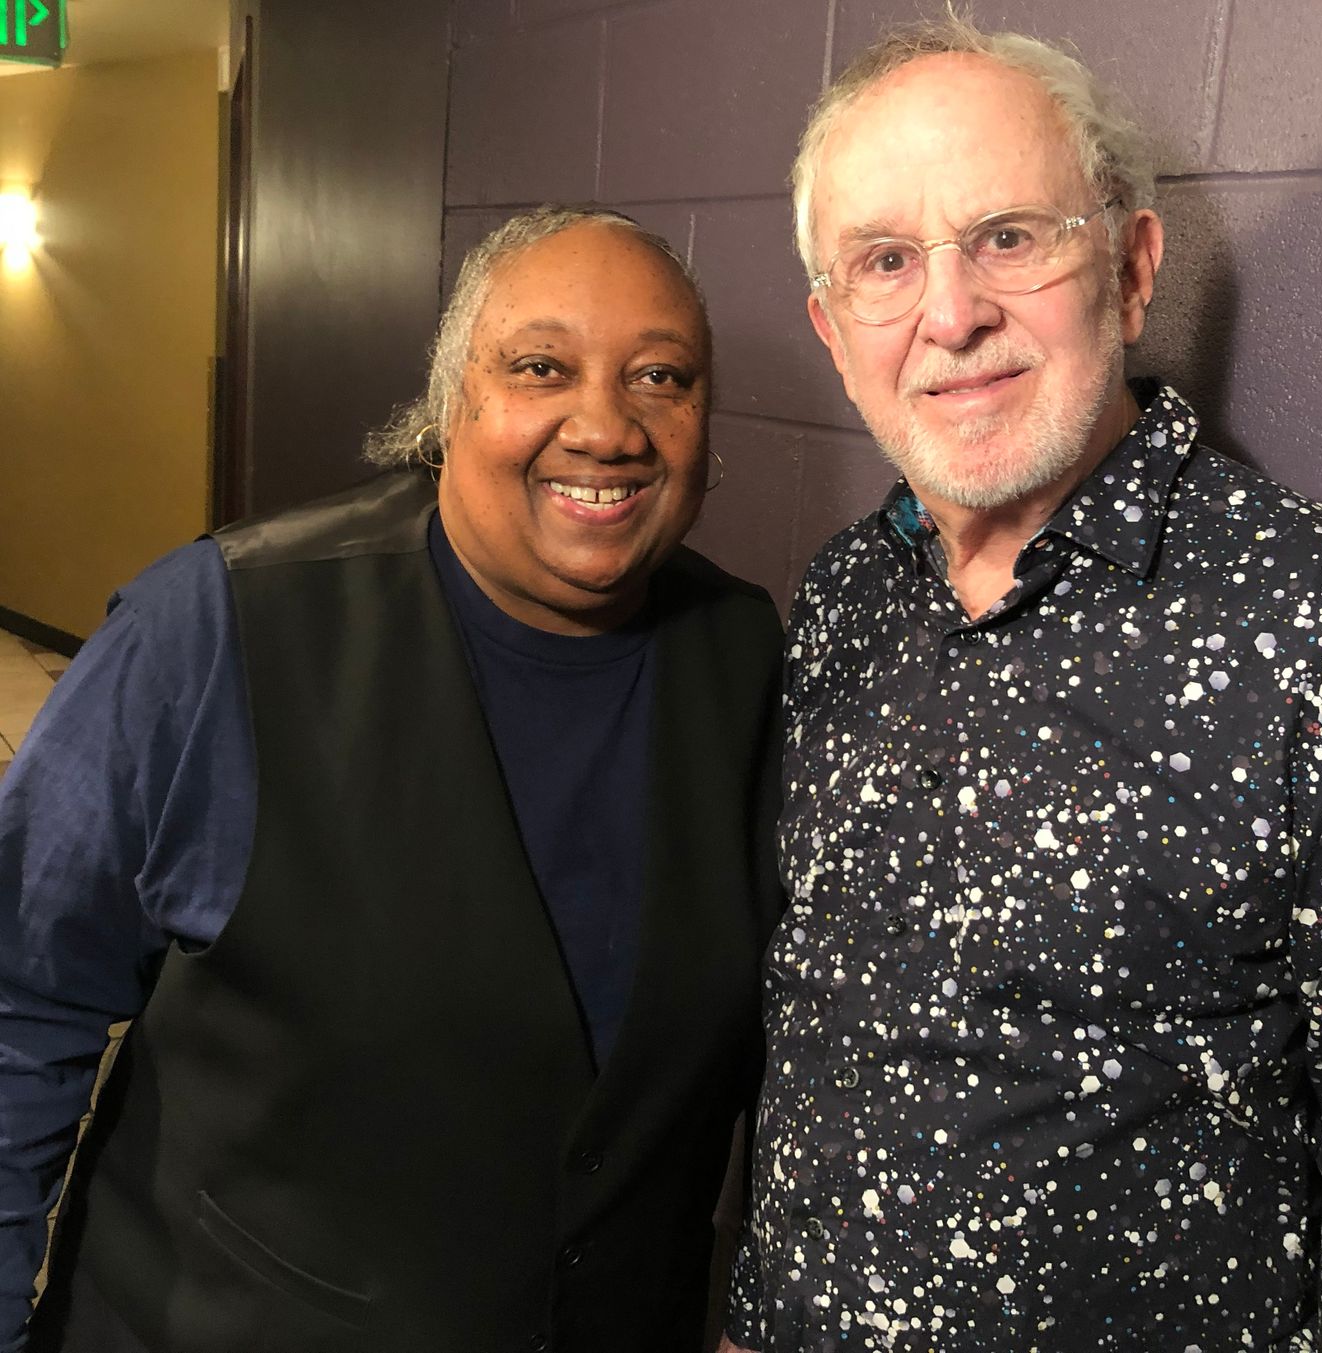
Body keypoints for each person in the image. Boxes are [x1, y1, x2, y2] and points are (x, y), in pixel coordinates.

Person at [721, 19, 1322, 1353]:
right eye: (884, 261)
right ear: (832, 327)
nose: (950, 315)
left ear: (1133, 267)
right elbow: (813, 1033)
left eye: (1007, 237)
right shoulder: (842, 600)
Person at [0, 205, 784, 1352]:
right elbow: (17, 1005)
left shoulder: (749, 658)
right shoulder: (216, 632)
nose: (606, 427)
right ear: (450, 400)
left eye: (660, 377)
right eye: (540, 367)